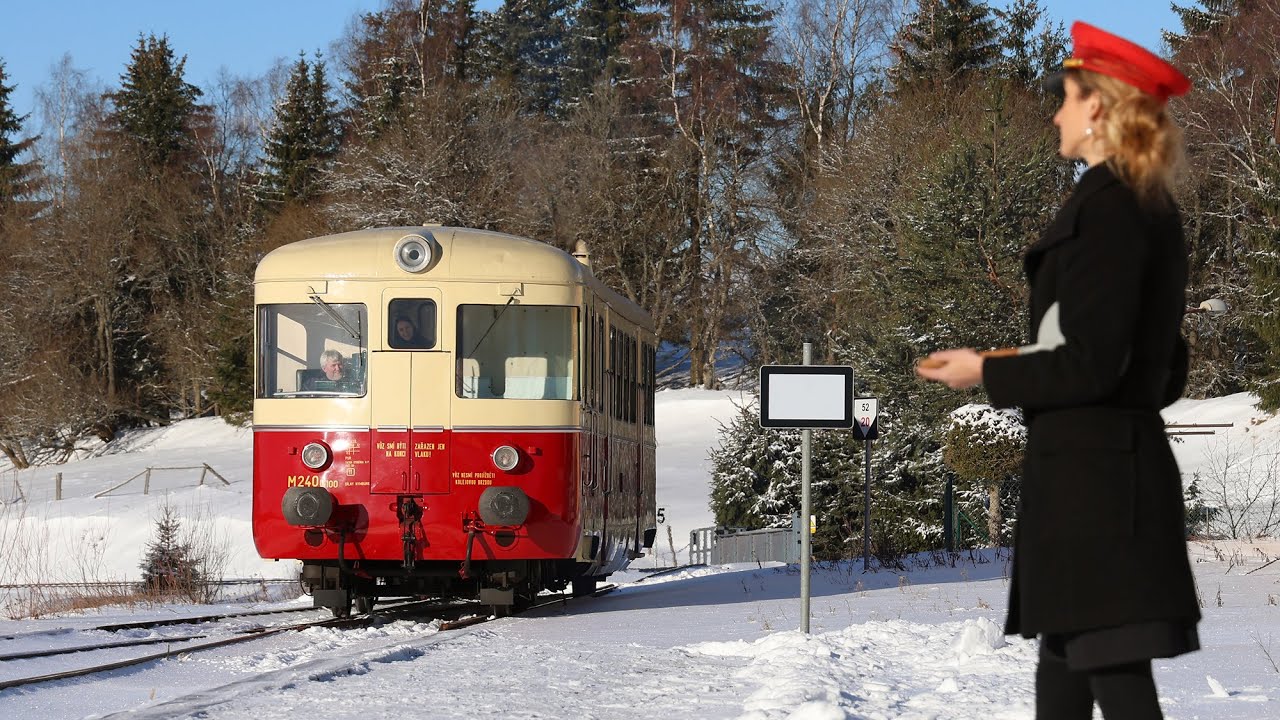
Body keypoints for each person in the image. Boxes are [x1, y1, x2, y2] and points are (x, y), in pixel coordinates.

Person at [916, 21, 1199, 720]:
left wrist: (987, 370)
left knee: (1110, 671)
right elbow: (1151, 365)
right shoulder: (1128, 205)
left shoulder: (1114, 211)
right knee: (1069, 672)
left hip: (1099, 489)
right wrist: (1005, 364)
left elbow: (1096, 363)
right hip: (1092, 481)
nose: (1054, 111)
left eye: (1064, 96)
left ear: (1098, 107)